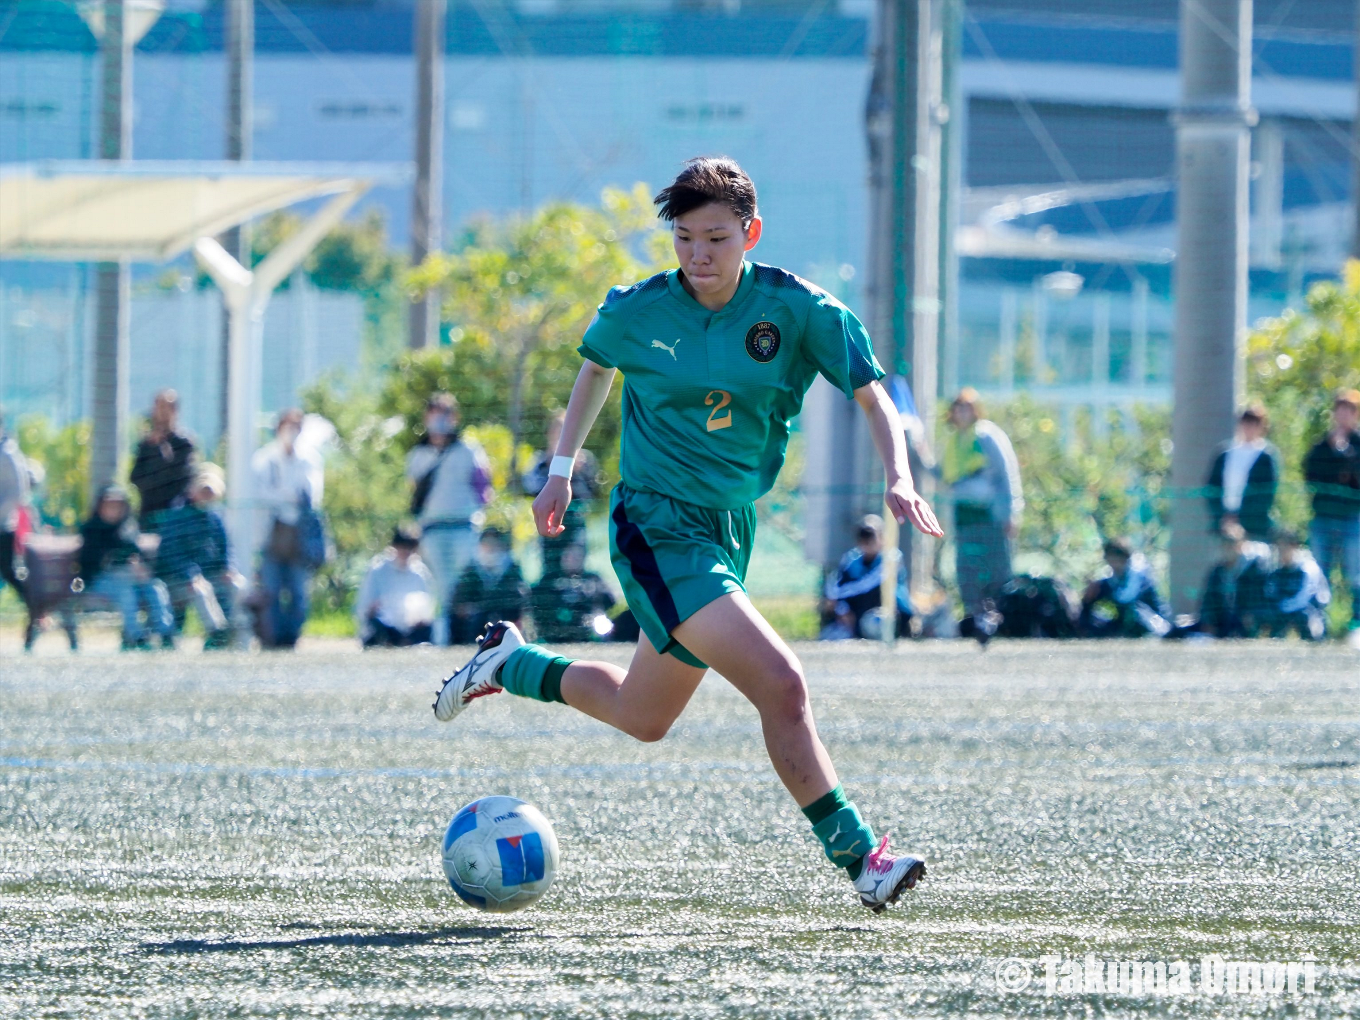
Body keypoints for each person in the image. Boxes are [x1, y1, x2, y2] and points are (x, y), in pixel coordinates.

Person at [431, 157, 944, 912]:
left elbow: (873, 396)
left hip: (728, 528)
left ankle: (511, 664)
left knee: (644, 716)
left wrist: (899, 475)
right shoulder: (640, 309)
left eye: (716, 239)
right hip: (657, 526)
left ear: (751, 233)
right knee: (782, 683)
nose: (698, 255)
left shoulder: (800, 310)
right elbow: (596, 369)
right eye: (684, 238)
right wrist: (561, 470)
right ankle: (862, 858)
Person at [406, 393, 493, 644]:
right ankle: (442, 638)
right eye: (435, 414)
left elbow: (484, 488)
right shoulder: (418, 454)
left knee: (462, 585)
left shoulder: (469, 451)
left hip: (464, 528)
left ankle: (468, 636)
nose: (440, 420)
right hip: (432, 529)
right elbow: (414, 493)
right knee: (440, 586)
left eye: (445, 414)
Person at [940, 388, 1021, 618]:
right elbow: (947, 478)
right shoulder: (955, 441)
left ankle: (1003, 616)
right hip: (965, 516)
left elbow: (1006, 475)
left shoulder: (986, 436)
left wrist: (1011, 513)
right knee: (967, 571)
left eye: (967, 408)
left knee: (997, 570)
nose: (962, 413)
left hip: (990, 515)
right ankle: (973, 616)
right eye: (958, 408)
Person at [252, 409, 323, 649]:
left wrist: (285, 495)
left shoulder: (309, 459)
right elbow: (261, 493)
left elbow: (310, 493)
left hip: (299, 535)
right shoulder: (265, 458)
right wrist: (286, 496)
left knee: (298, 591)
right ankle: (272, 638)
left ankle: (291, 637)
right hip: (272, 533)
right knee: (270, 589)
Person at [76, 484, 174, 650]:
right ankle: (135, 636)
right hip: (99, 582)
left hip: (132, 579)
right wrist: (122, 563)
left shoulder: (128, 528)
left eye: (118, 505)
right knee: (126, 592)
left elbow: (135, 554)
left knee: (156, 587)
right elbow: (92, 563)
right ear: (100, 506)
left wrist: (140, 568)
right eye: (109, 504)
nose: (114, 509)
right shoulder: (91, 529)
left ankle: (165, 633)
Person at [1303, 389, 1360, 645]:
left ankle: (1356, 623)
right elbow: (1311, 475)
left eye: (1349, 411)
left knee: (1355, 572)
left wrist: (1346, 455)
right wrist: (1333, 451)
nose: (1344, 416)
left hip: (1352, 518)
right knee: (1320, 571)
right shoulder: (1320, 446)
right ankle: (1318, 623)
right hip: (1323, 517)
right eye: (1340, 411)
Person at [157, 467, 237, 649]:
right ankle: (217, 633)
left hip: (210, 575)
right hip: (177, 578)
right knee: (201, 589)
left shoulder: (215, 518)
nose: (206, 496)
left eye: (210, 492)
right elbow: (171, 553)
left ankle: (235, 632)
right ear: (193, 490)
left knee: (235, 585)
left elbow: (225, 547)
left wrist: (228, 568)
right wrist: (191, 575)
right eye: (203, 491)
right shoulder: (177, 516)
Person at [523, 409, 604, 576]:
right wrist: (552, 469)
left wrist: (576, 473)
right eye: (557, 431)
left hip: (575, 524)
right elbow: (530, 487)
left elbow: (593, 492)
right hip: (548, 522)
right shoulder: (540, 461)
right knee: (550, 570)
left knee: (575, 569)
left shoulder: (585, 460)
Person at [819, 515, 911, 640]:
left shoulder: (892, 558)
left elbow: (866, 584)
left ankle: (899, 633)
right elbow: (834, 586)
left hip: (891, 609)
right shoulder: (851, 559)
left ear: (882, 537)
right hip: (858, 611)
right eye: (862, 536)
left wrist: (838, 596)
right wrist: (842, 608)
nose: (866, 541)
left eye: (871, 536)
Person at [1205, 403, 1279, 542]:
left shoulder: (1266, 457)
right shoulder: (1225, 453)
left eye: (1254, 423)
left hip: (1254, 526)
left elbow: (1266, 493)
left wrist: (1242, 519)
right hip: (1224, 525)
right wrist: (1223, 516)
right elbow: (1212, 487)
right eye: (1246, 422)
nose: (1249, 427)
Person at [356, 525, 435, 648]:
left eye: (409, 548)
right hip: (386, 626)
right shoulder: (378, 571)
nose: (405, 552)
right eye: (402, 547)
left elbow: (428, 604)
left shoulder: (420, 572)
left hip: (411, 627)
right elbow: (364, 608)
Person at [129, 389, 197, 533]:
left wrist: (162, 451)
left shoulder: (183, 443)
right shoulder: (146, 445)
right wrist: (153, 447)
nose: (162, 413)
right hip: (149, 512)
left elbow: (181, 478)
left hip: (174, 513)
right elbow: (135, 477)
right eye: (159, 407)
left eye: (167, 407)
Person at [448, 527, 529, 645]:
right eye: (487, 543)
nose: (490, 547)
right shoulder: (471, 570)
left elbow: (518, 597)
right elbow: (459, 600)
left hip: (505, 617)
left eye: (494, 543)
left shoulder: (511, 568)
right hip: (476, 622)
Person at [1079, 538, 1171, 638]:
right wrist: (1089, 596)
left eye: (1117, 558)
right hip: (1125, 622)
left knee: (1135, 614)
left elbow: (1125, 598)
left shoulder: (1139, 577)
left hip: (1151, 621)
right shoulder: (1109, 579)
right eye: (1111, 558)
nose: (1114, 563)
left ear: (1126, 558)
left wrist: (1102, 587)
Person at [1191, 523, 1270, 638]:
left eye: (1231, 542)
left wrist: (1252, 616)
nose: (1226, 547)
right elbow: (1208, 601)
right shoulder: (1217, 572)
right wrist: (1208, 621)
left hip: (1244, 622)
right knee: (1178, 632)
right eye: (1223, 543)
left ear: (1241, 544)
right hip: (1221, 622)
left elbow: (1260, 600)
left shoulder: (1254, 570)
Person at [531, 541, 616, 643]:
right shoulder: (550, 579)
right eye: (568, 556)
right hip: (555, 631)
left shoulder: (593, 579)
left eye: (577, 556)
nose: (572, 559)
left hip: (588, 628)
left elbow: (610, 601)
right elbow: (537, 602)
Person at [1264, 531, 1330, 641]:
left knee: (1305, 618)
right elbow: (1271, 594)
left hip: (1310, 610)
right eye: (1278, 548)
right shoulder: (1276, 570)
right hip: (1285, 610)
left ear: (1294, 546)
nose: (1281, 552)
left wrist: (1282, 608)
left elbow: (1304, 599)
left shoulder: (1308, 567)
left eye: (1284, 547)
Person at [0, 408, 30, 604]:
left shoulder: (7, 453)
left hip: (3, 526)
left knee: (9, 571)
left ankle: (37, 606)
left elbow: (18, 492)